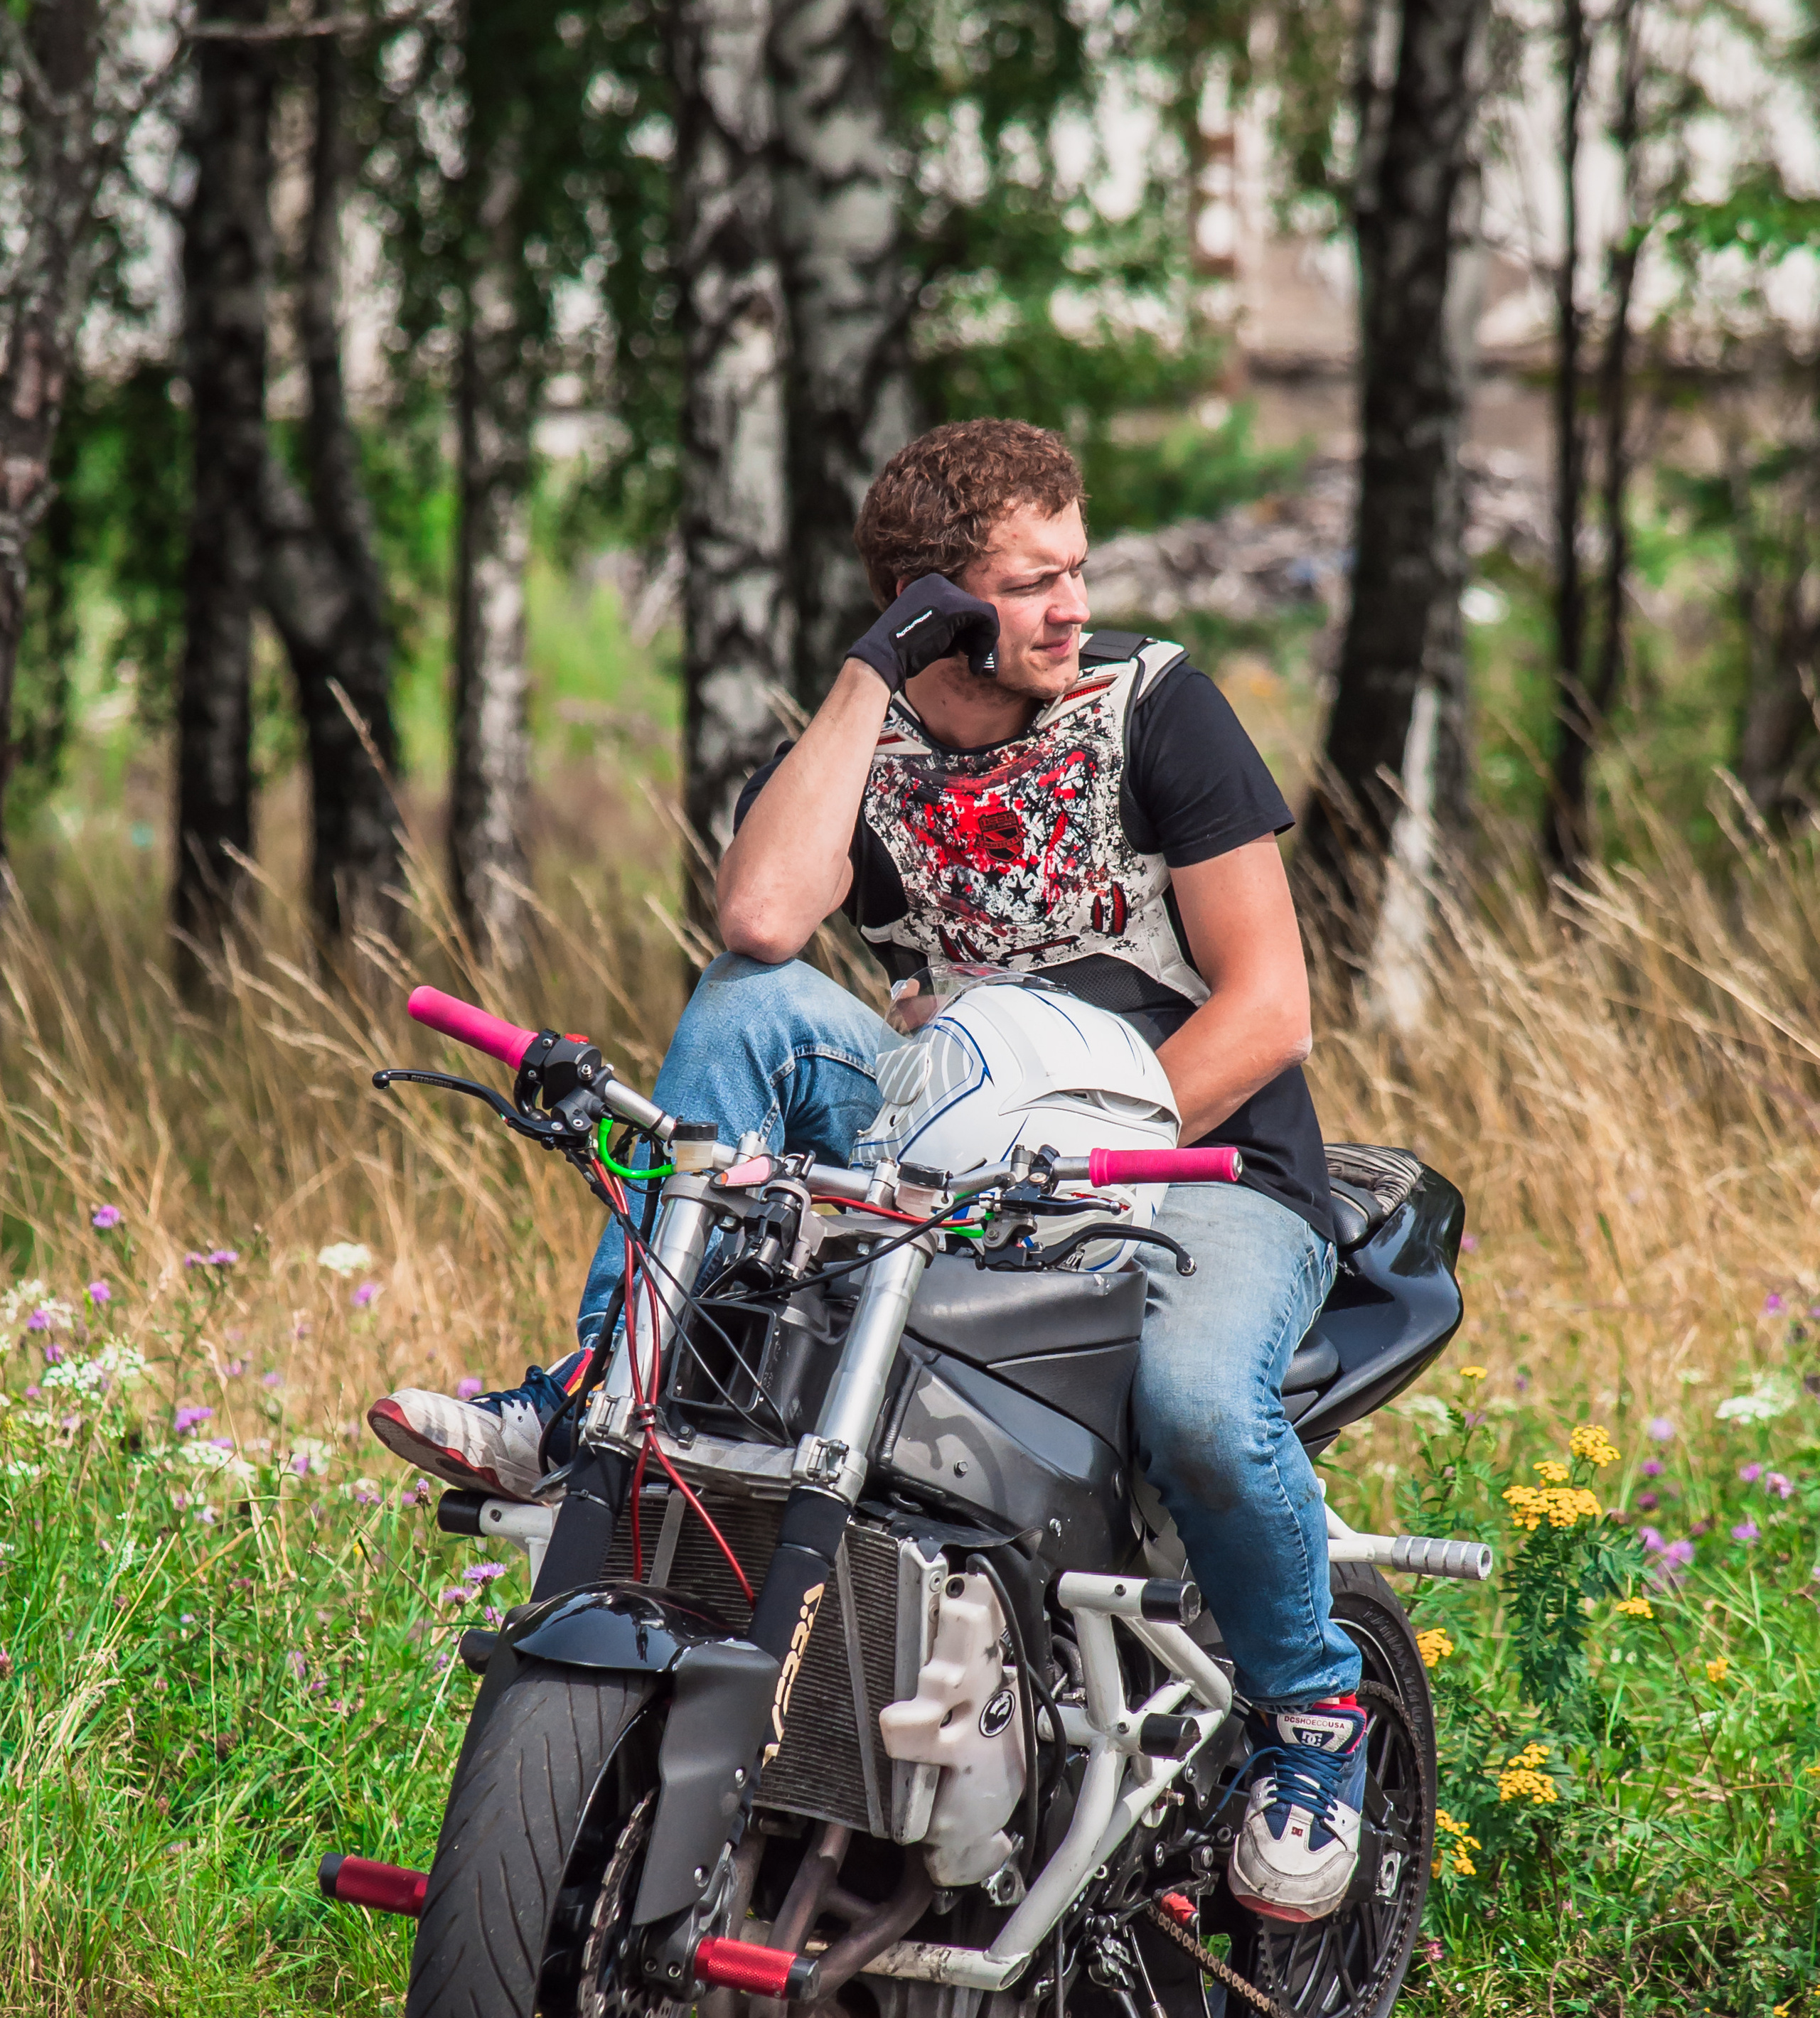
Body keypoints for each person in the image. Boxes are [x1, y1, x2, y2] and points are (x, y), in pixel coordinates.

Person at [369, 418, 1366, 1924]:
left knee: (1194, 1410)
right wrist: (863, 676)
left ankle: (1312, 1721)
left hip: (1200, 1165)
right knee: (739, 1008)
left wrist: (1069, 1146)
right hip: (953, 1141)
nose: (1070, 607)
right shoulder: (874, 741)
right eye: (1028, 584)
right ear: (935, 603)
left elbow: (1269, 1004)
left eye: (1073, 571)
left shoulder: (1152, 707)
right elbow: (766, 920)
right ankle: (593, 1390)